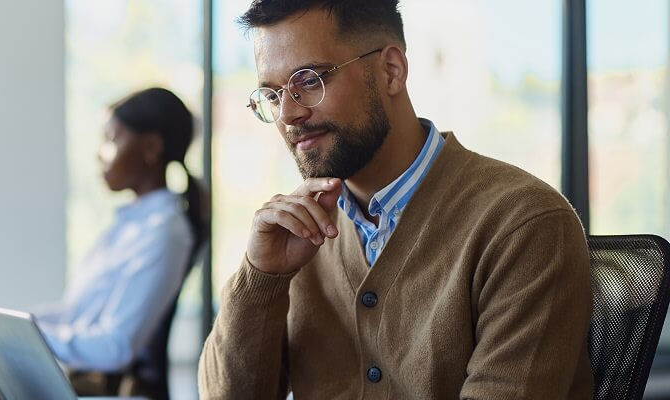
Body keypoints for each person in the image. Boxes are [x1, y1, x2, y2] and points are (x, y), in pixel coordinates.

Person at [198, 1, 592, 399]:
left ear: (391, 71)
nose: (287, 114)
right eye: (272, 93)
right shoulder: (295, 233)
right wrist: (261, 276)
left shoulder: (524, 224)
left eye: (310, 80)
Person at [36, 87, 207, 398]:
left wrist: (31, 338)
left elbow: (116, 347)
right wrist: (13, 328)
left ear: (151, 147)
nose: (100, 153)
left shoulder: (164, 232)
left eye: (112, 139)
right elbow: (75, 315)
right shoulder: (130, 224)